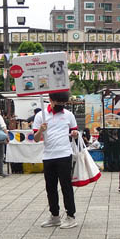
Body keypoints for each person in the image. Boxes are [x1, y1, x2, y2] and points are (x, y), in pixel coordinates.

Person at [34, 91, 79, 229]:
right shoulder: (40, 115)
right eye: (58, 102)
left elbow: (75, 133)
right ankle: (54, 216)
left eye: (63, 103)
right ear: (50, 100)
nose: (60, 105)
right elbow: (35, 139)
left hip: (65, 154)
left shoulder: (68, 115)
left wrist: (75, 134)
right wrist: (41, 130)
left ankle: (71, 216)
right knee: (50, 187)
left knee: (66, 186)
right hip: (48, 156)